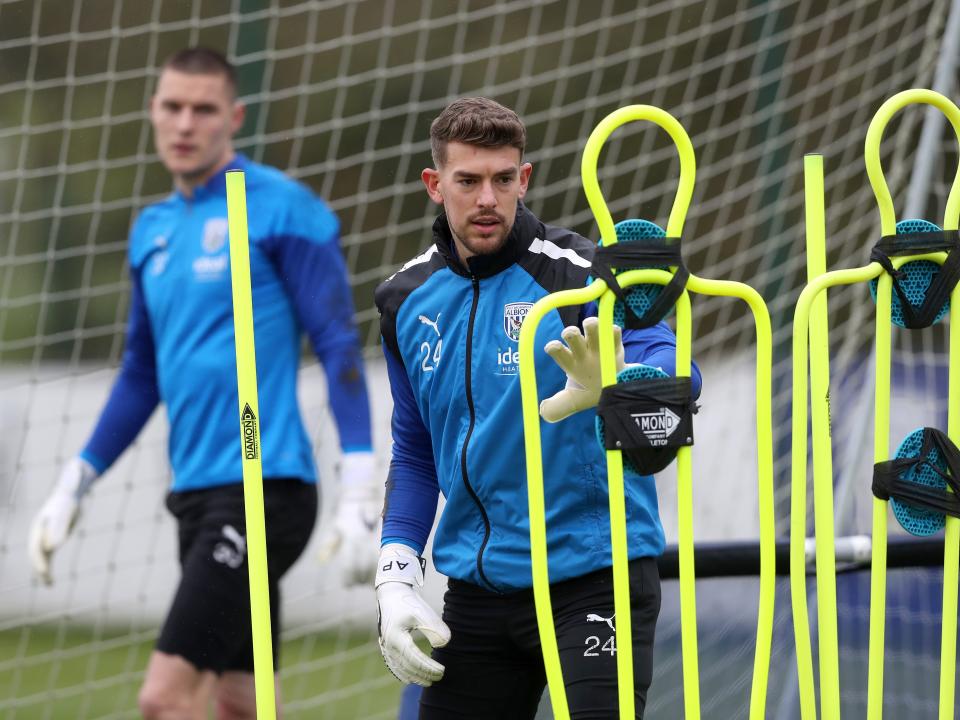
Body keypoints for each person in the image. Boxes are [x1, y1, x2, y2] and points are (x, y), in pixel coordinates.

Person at [27, 47, 381, 720]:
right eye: (173, 106)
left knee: (164, 700)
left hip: (262, 487)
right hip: (193, 492)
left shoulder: (283, 209)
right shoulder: (153, 230)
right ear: (154, 110)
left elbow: (337, 343)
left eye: (203, 108)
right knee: (243, 703)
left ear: (234, 117)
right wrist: (76, 480)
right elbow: (141, 373)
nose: (185, 122)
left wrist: (361, 485)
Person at [374, 96, 703, 719]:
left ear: (524, 179)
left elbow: (676, 371)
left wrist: (622, 384)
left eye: (503, 179)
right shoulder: (403, 301)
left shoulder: (584, 276)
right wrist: (393, 572)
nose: (487, 199)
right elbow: (416, 452)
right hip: (478, 590)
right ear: (434, 184)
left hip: (594, 577)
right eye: (467, 181)